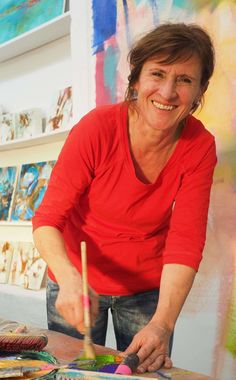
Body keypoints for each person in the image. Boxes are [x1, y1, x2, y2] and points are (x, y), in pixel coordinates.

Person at [32, 22, 217, 373]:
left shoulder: (200, 146)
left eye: (184, 80)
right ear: (135, 80)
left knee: (145, 372)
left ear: (199, 91)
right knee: (73, 373)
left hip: (146, 289)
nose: (167, 91)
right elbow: (46, 220)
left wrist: (163, 323)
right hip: (77, 277)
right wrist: (70, 279)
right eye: (157, 74)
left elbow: (186, 240)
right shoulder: (96, 128)